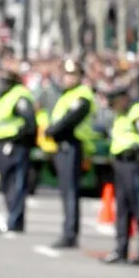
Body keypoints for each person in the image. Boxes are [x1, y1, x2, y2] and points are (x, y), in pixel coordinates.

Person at [44, 59, 96, 248]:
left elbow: (69, 120)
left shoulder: (82, 95)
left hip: (73, 145)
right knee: (66, 191)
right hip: (63, 146)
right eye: (66, 75)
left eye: (73, 74)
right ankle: (68, 231)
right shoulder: (67, 95)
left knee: (70, 191)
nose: (69, 78)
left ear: (80, 76)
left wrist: (51, 131)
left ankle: (70, 234)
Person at [100, 86, 139, 266]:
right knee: (122, 208)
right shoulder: (120, 115)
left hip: (133, 162)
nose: (113, 107)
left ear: (123, 99)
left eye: (114, 103)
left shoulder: (138, 111)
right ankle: (121, 249)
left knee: (137, 206)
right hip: (121, 163)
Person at [0, 69, 37, 234]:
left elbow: (29, 123)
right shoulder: (5, 96)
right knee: (7, 184)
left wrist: (17, 138)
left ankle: (14, 221)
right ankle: (13, 219)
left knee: (16, 184)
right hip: (2, 144)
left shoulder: (20, 96)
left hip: (14, 145)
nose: (2, 84)